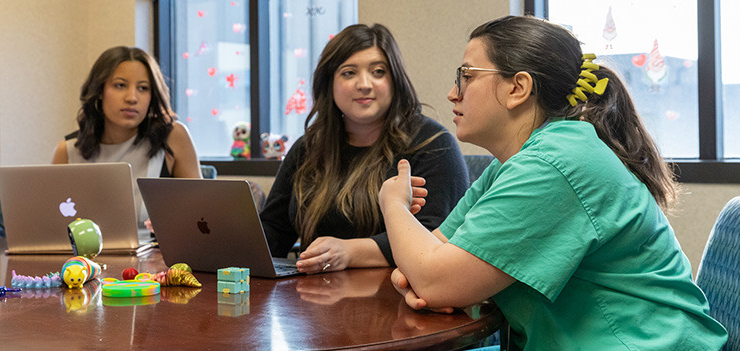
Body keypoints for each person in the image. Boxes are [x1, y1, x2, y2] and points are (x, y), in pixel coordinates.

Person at [379, 15, 728, 350]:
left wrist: (393, 203)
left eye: (466, 76)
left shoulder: (554, 163)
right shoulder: (512, 166)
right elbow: (427, 261)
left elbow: (433, 278)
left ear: (518, 87)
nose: (452, 93)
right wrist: (421, 275)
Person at [260, 24, 468, 274]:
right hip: (312, 300)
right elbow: (273, 231)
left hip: (401, 297)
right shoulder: (308, 147)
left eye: (378, 72)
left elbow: (436, 237)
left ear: (395, 80)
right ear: (330, 84)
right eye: (348, 73)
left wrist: (349, 252)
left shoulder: (432, 144)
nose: (364, 84)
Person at [53, 46, 202, 227]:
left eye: (143, 88)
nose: (132, 98)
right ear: (100, 91)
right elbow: (50, 223)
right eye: (120, 85)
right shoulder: (68, 150)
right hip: (82, 254)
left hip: (155, 255)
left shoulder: (173, 137)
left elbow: (200, 217)